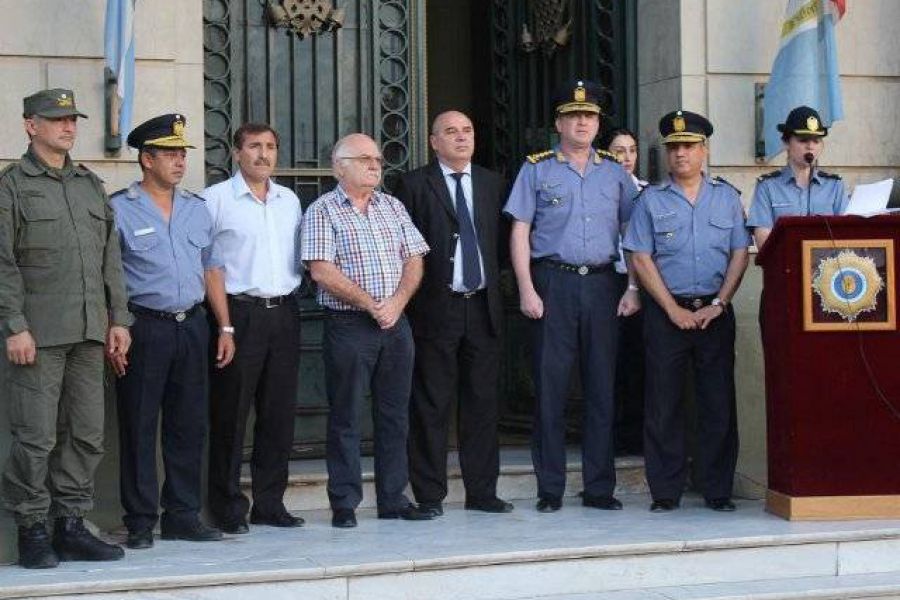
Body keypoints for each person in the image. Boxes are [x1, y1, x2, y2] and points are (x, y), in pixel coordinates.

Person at [0, 89, 131, 568]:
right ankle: (33, 528)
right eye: (57, 120)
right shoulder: (11, 186)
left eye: (72, 119)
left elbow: (109, 261)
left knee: (86, 433)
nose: (68, 127)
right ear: (30, 125)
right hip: (38, 333)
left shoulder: (90, 185)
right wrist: (14, 325)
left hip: (89, 331)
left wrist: (119, 319)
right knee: (35, 436)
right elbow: (3, 264)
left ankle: (71, 524)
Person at [504, 80, 640, 513]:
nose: (582, 122)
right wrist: (526, 287)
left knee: (602, 387)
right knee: (551, 387)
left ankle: (600, 487)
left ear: (598, 124)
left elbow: (632, 233)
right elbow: (520, 230)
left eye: (590, 116)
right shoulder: (537, 169)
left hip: (604, 285)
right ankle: (550, 488)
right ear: (559, 123)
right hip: (553, 283)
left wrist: (634, 287)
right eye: (574, 116)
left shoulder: (615, 173)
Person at [109, 114, 232, 549]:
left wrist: (225, 325)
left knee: (188, 424)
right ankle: (140, 520)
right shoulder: (119, 208)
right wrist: (116, 326)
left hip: (192, 326)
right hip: (145, 327)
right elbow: (110, 276)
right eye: (170, 154)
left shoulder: (196, 209)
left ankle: (182, 514)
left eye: (182, 154)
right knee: (140, 425)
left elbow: (212, 267)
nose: (180, 162)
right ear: (146, 159)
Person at [300, 133, 433, 528]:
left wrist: (396, 303)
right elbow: (320, 270)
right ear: (340, 167)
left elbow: (414, 259)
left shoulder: (392, 206)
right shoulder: (323, 211)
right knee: (346, 415)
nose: (376, 164)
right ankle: (344, 501)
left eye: (378, 158)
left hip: (396, 324)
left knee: (395, 414)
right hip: (349, 325)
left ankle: (393, 498)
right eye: (364, 159)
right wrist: (370, 303)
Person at [623, 110, 751, 513]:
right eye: (674, 147)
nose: (680, 154)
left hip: (714, 311)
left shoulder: (727, 197)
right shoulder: (651, 200)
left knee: (717, 403)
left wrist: (720, 303)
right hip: (666, 314)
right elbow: (640, 256)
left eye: (688, 146)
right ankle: (666, 490)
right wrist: (671, 308)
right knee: (664, 403)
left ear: (704, 150)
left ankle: (717, 490)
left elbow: (739, 253)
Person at [394, 111, 513, 517]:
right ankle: (430, 493)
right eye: (451, 132)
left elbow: (501, 245)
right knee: (432, 403)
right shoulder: (412, 184)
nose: (461, 138)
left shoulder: (492, 182)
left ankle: (483, 491)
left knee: (482, 404)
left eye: (467, 130)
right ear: (433, 142)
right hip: (434, 309)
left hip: (482, 307)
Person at [202, 123, 304, 534]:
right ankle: (227, 507)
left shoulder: (289, 201)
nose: (264, 155)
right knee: (231, 413)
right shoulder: (216, 200)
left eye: (271, 147)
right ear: (236, 152)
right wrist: (224, 326)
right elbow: (210, 267)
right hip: (238, 315)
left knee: (278, 414)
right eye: (255, 147)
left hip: (285, 313)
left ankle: (269, 503)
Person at [601, 127, 647, 456]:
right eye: (619, 151)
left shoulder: (649, 192)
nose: (626, 157)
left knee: (637, 360)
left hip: (641, 284)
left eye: (631, 150)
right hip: (608, 280)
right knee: (609, 360)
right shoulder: (600, 189)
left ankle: (635, 434)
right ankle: (610, 434)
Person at [748, 105, 848, 250]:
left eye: (816, 140)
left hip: (827, 269)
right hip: (786, 268)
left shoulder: (834, 185)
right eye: (803, 140)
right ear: (786, 143)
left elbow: (846, 235)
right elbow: (764, 240)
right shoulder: (768, 186)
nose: (810, 146)